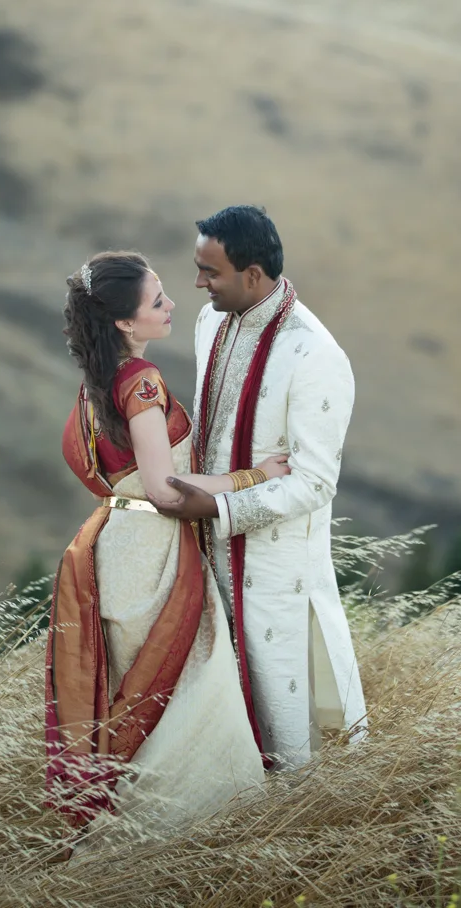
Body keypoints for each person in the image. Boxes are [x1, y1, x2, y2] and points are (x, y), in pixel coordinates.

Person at [45, 249, 280, 837]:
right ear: (125, 322)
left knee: (139, 698)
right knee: (189, 686)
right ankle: (184, 833)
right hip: (150, 553)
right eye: (157, 300)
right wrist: (254, 480)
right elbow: (163, 487)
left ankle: (133, 843)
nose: (172, 303)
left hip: (113, 547)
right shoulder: (142, 381)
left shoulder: (95, 387)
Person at [151, 205, 367, 770]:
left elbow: (316, 482)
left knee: (287, 738)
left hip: (276, 576)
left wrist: (221, 506)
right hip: (204, 557)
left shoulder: (315, 354)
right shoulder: (210, 322)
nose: (198, 284)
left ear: (252, 275)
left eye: (210, 272)